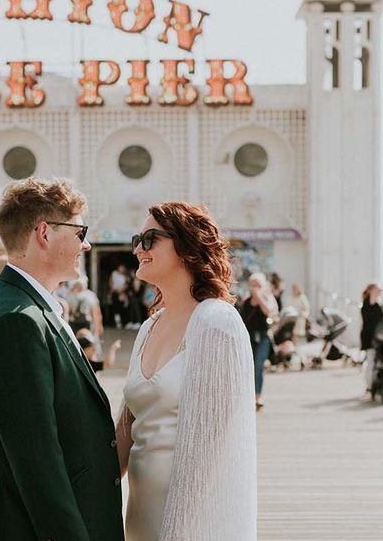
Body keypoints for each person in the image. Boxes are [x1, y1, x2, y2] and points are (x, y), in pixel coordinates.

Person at [0, 178, 124, 541]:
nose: (86, 244)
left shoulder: (26, 305)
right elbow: (36, 459)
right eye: (80, 231)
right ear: (44, 233)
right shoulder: (17, 320)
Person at [118, 202, 256, 540]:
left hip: (195, 520)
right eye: (138, 238)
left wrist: (177, 532)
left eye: (150, 238)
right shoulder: (149, 326)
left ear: (186, 247)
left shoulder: (216, 323)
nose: (138, 248)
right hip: (140, 516)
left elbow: (209, 449)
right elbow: (126, 427)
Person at [240, 273, 278, 410]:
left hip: (263, 337)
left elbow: (269, 312)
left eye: (258, 285)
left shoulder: (268, 298)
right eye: (253, 284)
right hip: (248, 336)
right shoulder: (246, 300)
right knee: (246, 367)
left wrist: (260, 297)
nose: (255, 287)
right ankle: (247, 396)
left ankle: (258, 396)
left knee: (258, 365)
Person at [360, 284, 383, 392]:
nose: (379, 292)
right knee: (371, 361)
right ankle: (370, 386)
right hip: (371, 336)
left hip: (376, 336)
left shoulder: (375, 302)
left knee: (373, 361)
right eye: (377, 290)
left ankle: (374, 384)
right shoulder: (369, 302)